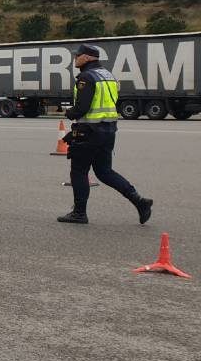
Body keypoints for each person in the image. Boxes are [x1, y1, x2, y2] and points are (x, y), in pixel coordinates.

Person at [57, 44, 152, 225]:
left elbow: (82, 108)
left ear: (87, 58)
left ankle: (79, 213)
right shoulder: (108, 75)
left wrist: (69, 112)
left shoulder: (86, 77)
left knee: (79, 171)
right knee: (104, 171)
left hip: (89, 132)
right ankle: (139, 201)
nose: (75, 59)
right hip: (108, 130)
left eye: (77, 56)